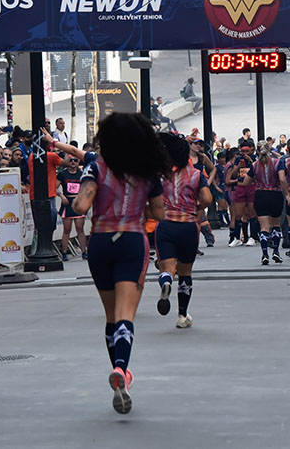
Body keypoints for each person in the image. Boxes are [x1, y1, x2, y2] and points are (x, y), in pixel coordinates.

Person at [71, 112, 170, 415]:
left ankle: (118, 369)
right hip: (131, 240)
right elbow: (159, 214)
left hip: (100, 242)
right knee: (126, 314)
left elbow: (80, 205)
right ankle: (121, 369)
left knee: (110, 315)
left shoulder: (96, 166)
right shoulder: (148, 172)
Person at [155, 133, 212, 328]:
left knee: (168, 268)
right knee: (186, 273)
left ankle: (165, 282)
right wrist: (197, 210)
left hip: (166, 225)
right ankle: (182, 316)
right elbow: (207, 198)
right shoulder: (196, 174)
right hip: (188, 226)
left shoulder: (162, 175)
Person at [57, 155, 88, 261]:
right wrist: (61, 195)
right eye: (71, 160)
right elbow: (54, 187)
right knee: (67, 229)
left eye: (75, 160)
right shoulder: (62, 174)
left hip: (78, 203)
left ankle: (84, 251)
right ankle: (64, 252)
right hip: (67, 203)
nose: (73, 162)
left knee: (80, 228)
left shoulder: (82, 174)